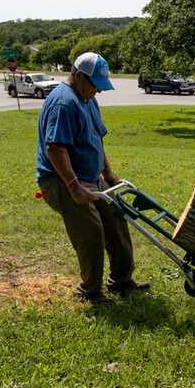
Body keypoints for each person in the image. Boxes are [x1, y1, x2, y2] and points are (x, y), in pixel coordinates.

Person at [36, 52, 149, 304]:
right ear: (77, 76)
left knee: (117, 221)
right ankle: (90, 292)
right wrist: (74, 185)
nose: (96, 92)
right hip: (61, 180)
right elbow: (54, 148)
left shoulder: (88, 99)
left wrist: (108, 174)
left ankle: (122, 281)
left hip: (90, 177)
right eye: (93, 85)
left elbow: (97, 138)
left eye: (100, 87)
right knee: (91, 232)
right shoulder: (64, 102)